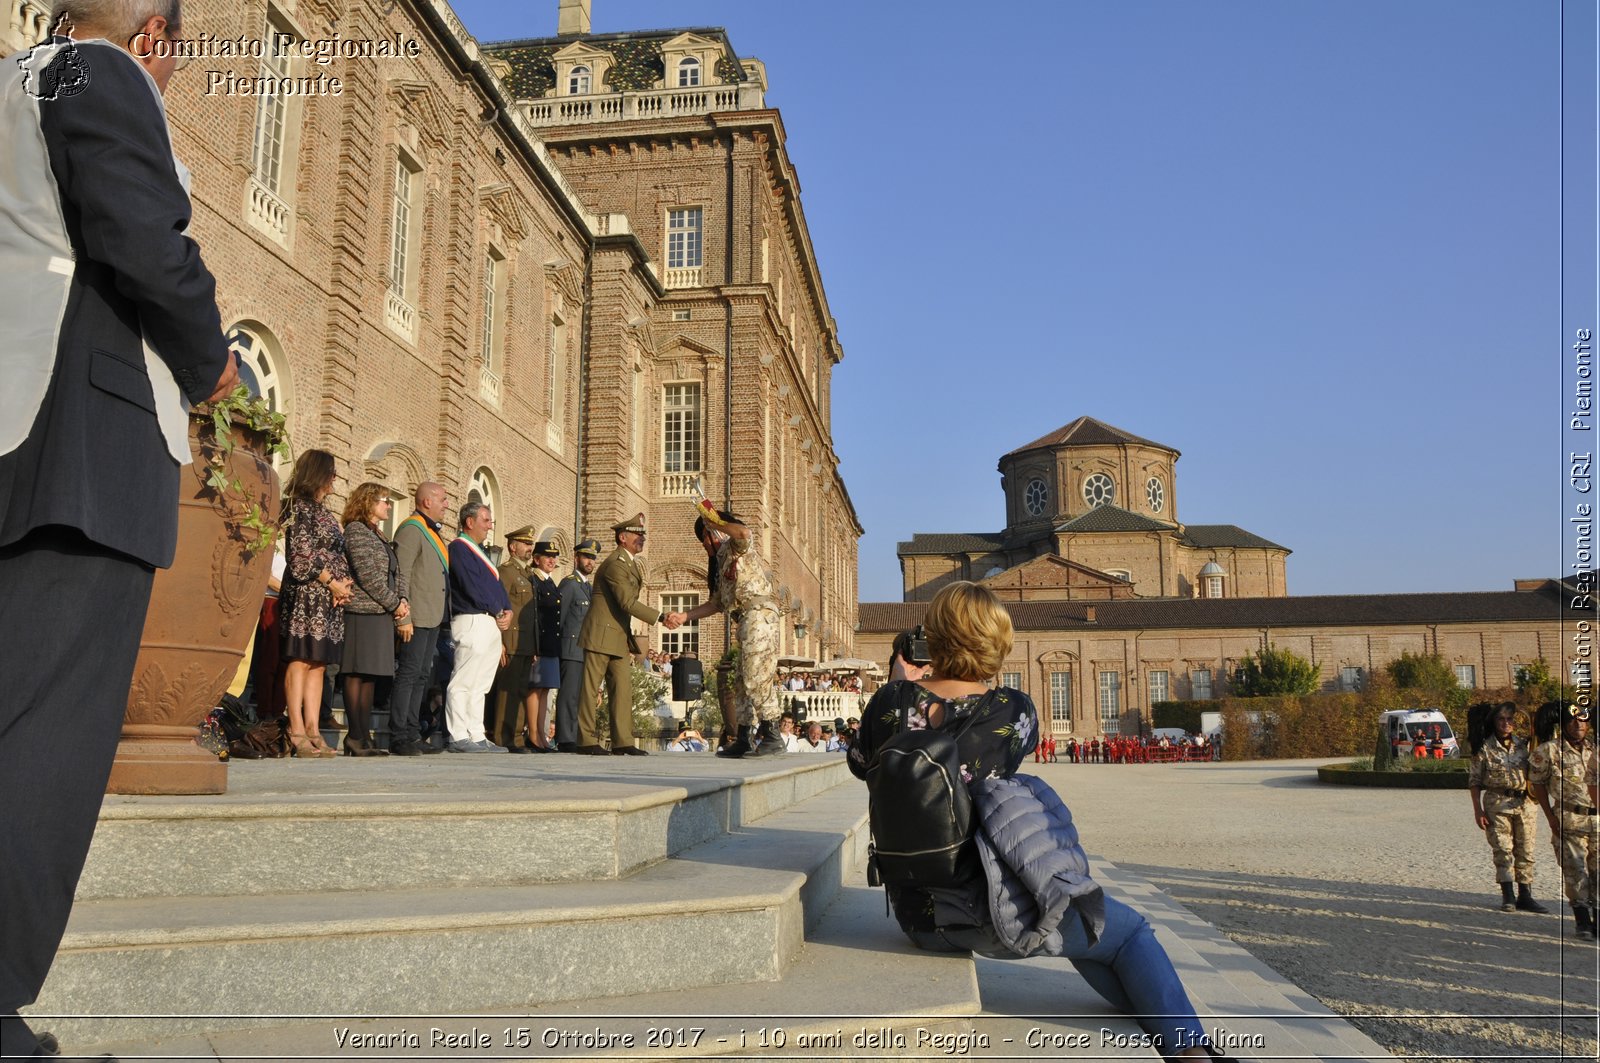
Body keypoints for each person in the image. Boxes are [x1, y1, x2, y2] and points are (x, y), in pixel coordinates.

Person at [0, 5, 241, 1053]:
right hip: (81, 444)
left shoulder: (14, 81)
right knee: (47, 736)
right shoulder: (102, 73)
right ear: (157, 35)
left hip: (19, 427)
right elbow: (145, 239)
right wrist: (211, 358)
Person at [848, 582, 1232, 1062]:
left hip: (918, 917)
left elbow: (863, 763)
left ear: (934, 638)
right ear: (997, 643)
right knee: (1126, 934)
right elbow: (1007, 755)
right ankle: (1193, 1052)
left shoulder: (889, 702)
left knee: (1100, 939)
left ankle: (1162, 1018)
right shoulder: (1015, 709)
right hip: (995, 910)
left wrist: (899, 683)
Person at [675, 508, 783, 758]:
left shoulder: (735, 547)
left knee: (757, 674)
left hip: (759, 614)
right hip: (745, 619)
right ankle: (744, 736)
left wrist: (717, 522)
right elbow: (716, 604)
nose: (705, 543)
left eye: (705, 535)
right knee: (742, 680)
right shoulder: (721, 562)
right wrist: (684, 616)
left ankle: (773, 733)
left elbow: (744, 531)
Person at [576, 513, 679, 755]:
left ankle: (622, 741)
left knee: (622, 690)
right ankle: (586, 741)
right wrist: (662, 617)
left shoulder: (628, 562)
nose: (641, 539)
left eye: (643, 535)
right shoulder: (615, 564)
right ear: (623, 538)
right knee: (591, 689)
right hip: (601, 635)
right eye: (637, 535)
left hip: (618, 636)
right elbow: (626, 602)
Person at [278, 449, 353, 759]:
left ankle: (313, 728)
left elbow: (338, 553)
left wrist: (342, 585)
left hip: (329, 601)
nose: (335, 478)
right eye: (331, 472)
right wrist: (331, 581)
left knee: (319, 664)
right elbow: (299, 557)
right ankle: (295, 728)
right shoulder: (297, 507)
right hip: (305, 596)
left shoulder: (325, 512)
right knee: (300, 660)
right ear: (318, 474)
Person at [339, 483, 408, 756]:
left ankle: (364, 736)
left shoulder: (377, 533)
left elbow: (395, 571)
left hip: (381, 611)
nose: (388, 506)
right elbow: (367, 574)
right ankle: (354, 736)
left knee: (370, 676)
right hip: (362, 611)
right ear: (368, 501)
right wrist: (394, 603)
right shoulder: (356, 530)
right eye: (384, 500)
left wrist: (402, 601)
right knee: (356, 672)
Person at [443, 501, 512, 753]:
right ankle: (458, 734)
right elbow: (472, 586)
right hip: (472, 618)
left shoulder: (481, 552)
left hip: (490, 621)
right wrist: (498, 608)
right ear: (469, 522)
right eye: (485, 520)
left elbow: (497, 587)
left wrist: (508, 611)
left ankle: (476, 733)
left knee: (481, 684)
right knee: (464, 679)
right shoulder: (460, 549)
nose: (489, 525)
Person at [1467, 702, 1547, 913]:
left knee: (1526, 850)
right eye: (1501, 720)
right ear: (1494, 722)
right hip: (1497, 803)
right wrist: (1477, 811)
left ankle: (1526, 895)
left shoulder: (1524, 746)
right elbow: (1474, 782)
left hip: (1525, 804)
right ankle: (1508, 895)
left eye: (1509, 719)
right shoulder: (1483, 748)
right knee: (1503, 850)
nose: (1506, 723)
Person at [1529, 701, 1598, 940]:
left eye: (1582, 719)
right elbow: (1537, 783)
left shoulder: (1595, 748)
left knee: (1599, 871)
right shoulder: (1548, 750)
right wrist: (1549, 816)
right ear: (1564, 723)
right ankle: (1582, 921)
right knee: (1575, 871)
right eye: (1572, 720)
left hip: (1597, 818)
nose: (1577, 724)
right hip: (1568, 817)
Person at [389, 482, 449, 756]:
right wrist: (403, 616)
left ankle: (413, 731)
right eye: (443, 500)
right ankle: (399, 733)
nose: (446, 505)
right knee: (409, 674)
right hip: (415, 615)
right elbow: (402, 573)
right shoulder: (412, 529)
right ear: (427, 502)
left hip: (431, 616)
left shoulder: (432, 533)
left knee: (422, 675)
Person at [491, 525, 539, 752]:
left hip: (526, 642)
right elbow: (499, 607)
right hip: (510, 640)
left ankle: (517, 737)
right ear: (512, 547)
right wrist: (498, 640)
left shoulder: (529, 574)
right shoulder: (506, 571)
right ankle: (502, 737)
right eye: (526, 544)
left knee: (520, 690)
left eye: (531, 544)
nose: (530, 548)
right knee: (506, 690)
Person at [553, 538, 599, 751]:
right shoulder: (570, 584)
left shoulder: (588, 587)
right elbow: (559, 619)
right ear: (576, 558)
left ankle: (577, 737)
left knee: (580, 696)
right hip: (570, 649)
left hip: (584, 650)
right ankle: (565, 738)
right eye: (587, 557)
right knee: (569, 695)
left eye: (593, 558)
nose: (590, 562)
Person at [526, 540, 564, 751]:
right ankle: (533, 734)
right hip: (539, 642)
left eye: (554, 557)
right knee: (535, 688)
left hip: (551, 643)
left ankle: (541, 733)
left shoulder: (549, 582)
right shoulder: (534, 580)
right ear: (536, 559)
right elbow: (534, 616)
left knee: (545, 689)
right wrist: (533, 646)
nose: (551, 560)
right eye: (547, 556)